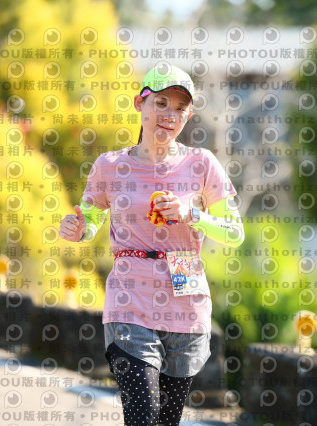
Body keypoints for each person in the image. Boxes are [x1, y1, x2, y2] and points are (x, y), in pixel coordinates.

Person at [58, 64, 245, 426]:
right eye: (161, 103)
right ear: (139, 104)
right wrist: (78, 228)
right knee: (142, 417)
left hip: (185, 302)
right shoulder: (110, 165)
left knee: (166, 421)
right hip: (129, 299)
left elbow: (234, 232)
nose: (170, 115)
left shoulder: (202, 164)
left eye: (180, 108)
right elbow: (91, 219)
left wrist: (192, 214)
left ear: (188, 115)